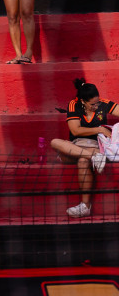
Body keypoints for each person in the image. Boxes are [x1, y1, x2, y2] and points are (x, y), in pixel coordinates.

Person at [51, 77, 115, 218]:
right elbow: (76, 131)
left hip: (95, 146)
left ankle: (85, 206)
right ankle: (94, 157)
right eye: (92, 104)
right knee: (54, 142)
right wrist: (99, 129)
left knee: (82, 160)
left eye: (97, 102)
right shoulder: (73, 105)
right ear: (83, 102)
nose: (96, 106)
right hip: (75, 145)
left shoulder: (103, 104)